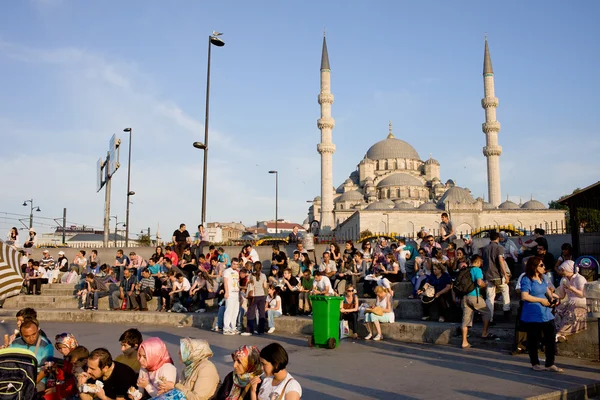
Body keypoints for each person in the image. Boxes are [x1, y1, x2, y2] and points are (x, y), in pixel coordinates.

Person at [520, 256, 563, 372]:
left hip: (546, 313)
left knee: (550, 338)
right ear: (534, 267)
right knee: (533, 339)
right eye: (541, 265)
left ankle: (550, 363)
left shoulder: (543, 278)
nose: (544, 267)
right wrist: (540, 300)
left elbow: (548, 292)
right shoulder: (526, 279)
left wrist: (554, 298)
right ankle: (535, 363)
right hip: (533, 313)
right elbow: (524, 296)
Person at [458, 255, 494, 348]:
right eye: (481, 262)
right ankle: (484, 333)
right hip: (474, 296)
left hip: (465, 297)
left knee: (465, 319)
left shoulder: (466, 270)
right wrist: (484, 284)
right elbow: (479, 282)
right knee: (487, 312)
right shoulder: (477, 270)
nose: (481, 263)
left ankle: (464, 342)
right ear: (478, 262)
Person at [10, 317, 54, 391]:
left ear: (38, 331)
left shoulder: (46, 345)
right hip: (17, 378)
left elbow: (45, 371)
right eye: (27, 336)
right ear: (21, 334)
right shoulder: (15, 343)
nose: (31, 338)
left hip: (37, 379)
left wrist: (30, 384)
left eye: (34, 334)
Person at [554, 260, 587, 342]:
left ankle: (559, 333)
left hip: (580, 302)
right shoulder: (563, 279)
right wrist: (551, 294)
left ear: (569, 269)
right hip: (569, 302)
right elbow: (562, 295)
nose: (561, 272)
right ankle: (561, 334)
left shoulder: (580, 278)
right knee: (558, 311)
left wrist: (571, 288)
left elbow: (583, 294)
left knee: (571, 314)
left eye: (563, 270)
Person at [482, 230, 511, 323]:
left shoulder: (485, 248)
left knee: (490, 297)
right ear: (498, 238)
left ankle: (489, 318)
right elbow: (501, 261)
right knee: (505, 289)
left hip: (488, 275)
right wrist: (505, 275)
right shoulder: (499, 248)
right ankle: (506, 310)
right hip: (498, 275)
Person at [244, 261, 268, 336]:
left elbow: (247, 284)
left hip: (254, 296)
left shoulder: (251, 275)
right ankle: (261, 330)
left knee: (251, 312)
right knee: (261, 313)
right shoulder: (263, 275)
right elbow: (265, 286)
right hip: (262, 295)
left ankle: (250, 329)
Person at [223, 258, 241, 335]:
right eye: (234, 264)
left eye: (237, 264)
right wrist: (226, 292)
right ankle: (226, 328)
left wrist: (239, 294)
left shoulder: (237, 272)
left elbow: (237, 284)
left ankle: (233, 327)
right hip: (230, 293)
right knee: (229, 310)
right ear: (231, 263)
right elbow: (225, 282)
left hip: (236, 293)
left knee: (235, 311)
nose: (235, 265)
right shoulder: (227, 271)